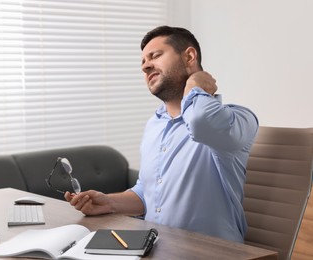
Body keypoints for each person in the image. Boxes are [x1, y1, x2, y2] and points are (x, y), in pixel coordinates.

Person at [64, 25, 258, 243]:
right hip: (159, 247)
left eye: (154, 56)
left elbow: (201, 122)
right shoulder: (154, 125)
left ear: (189, 56)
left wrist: (195, 84)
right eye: (143, 63)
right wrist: (109, 202)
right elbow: (149, 191)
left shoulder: (237, 119)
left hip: (213, 252)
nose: (146, 67)